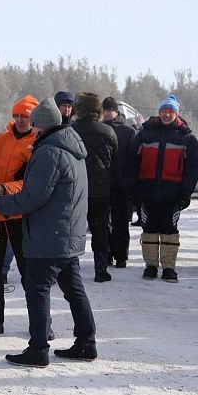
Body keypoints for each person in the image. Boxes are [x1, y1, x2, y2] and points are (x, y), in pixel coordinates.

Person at [0, 98, 96, 367]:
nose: (32, 132)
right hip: (68, 234)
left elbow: (33, 197)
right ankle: (86, 342)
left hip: (49, 236)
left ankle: (38, 349)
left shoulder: (50, 152)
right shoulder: (72, 147)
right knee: (74, 289)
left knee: (37, 290)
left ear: (42, 126)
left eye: (35, 126)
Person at [0, 95, 44, 339]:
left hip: (20, 216)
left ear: (34, 118)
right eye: (16, 115)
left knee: (30, 272)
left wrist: (5, 188)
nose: (20, 120)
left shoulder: (38, 143)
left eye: (25, 116)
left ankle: (41, 323)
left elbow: (33, 182)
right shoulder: (0, 140)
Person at [127, 95, 198, 282]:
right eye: (164, 111)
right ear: (159, 112)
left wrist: (186, 192)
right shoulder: (144, 134)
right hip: (147, 191)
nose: (167, 114)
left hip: (173, 193)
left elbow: (193, 167)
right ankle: (151, 266)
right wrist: (134, 187)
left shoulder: (186, 137)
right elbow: (131, 162)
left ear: (176, 113)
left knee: (170, 229)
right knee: (149, 228)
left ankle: (169, 267)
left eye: (171, 111)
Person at [72, 93, 118, 282]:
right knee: (100, 229)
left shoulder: (70, 131)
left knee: (73, 229)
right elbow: (115, 160)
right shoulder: (107, 131)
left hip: (76, 189)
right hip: (100, 189)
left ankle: (71, 268)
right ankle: (101, 268)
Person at [102, 98, 136, 269]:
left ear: (117, 111)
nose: (108, 112)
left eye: (110, 109)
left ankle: (121, 256)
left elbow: (133, 159)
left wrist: (131, 181)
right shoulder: (99, 129)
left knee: (121, 222)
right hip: (103, 183)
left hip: (121, 184)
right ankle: (107, 253)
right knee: (103, 222)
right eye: (105, 109)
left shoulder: (128, 131)